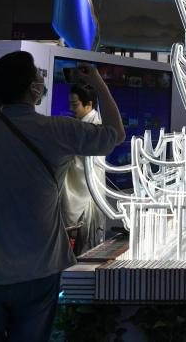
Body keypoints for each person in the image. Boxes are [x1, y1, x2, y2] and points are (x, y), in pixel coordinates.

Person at [0, 52, 125, 342]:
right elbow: (115, 133)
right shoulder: (57, 131)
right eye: (38, 75)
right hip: (39, 272)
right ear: (33, 89)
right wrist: (97, 82)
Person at [62, 83, 107, 256]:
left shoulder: (93, 128)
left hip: (86, 199)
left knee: (85, 251)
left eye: (75, 105)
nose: (71, 109)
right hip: (90, 197)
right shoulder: (86, 124)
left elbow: (81, 169)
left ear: (89, 104)